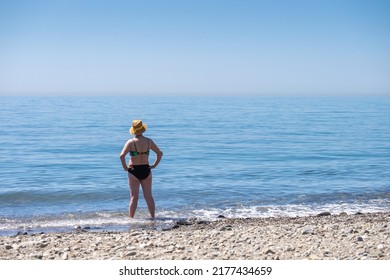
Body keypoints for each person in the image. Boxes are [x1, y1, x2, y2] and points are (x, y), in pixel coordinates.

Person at [120, 120, 163, 219]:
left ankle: (131, 218)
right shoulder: (148, 141)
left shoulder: (131, 142)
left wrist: (125, 168)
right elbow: (160, 153)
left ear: (134, 130)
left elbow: (122, 156)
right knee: (148, 196)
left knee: (134, 197)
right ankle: (152, 217)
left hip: (133, 170)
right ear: (143, 129)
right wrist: (154, 165)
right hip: (146, 169)